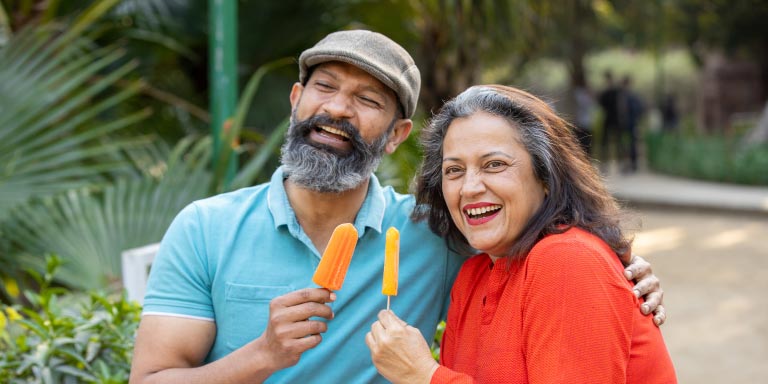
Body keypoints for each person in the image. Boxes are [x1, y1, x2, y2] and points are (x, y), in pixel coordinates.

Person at [129, 31, 666, 383]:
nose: (337, 109)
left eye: (368, 101)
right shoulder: (205, 227)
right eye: (325, 87)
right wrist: (263, 354)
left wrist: (622, 272)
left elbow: (544, 258)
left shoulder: (436, 233)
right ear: (296, 101)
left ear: (395, 136)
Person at [366, 85, 676, 383]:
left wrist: (424, 376)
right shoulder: (474, 275)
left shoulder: (568, 259)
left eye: (494, 164)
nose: (470, 187)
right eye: (454, 170)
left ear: (545, 176)